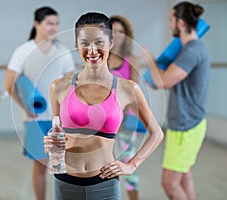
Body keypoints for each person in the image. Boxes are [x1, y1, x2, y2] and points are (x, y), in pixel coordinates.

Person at [44, 12, 163, 200]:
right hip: (64, 181)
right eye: (85, 43)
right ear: (77, 45)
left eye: (99, 42)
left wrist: (132, 165)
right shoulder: (58, 86)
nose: (92, 50)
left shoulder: (127, 89)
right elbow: (56, 133)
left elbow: (157, 133)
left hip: (104, 183)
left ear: (111, 43)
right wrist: (50, 143)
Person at [4, 6, 74, 200]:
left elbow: (70, 82)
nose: (54, 27)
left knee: (61, 166)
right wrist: (25, 107)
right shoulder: (23, 51)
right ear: (37, 24)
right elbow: (10, 83)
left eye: (57, 23)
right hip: (34, 118)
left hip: (60, 119)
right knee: (41, 164)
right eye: (49, 23)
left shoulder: (63, 51)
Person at [143, 2, 210, 200]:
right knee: (184, 176)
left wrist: (149, 60)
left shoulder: (192, 51)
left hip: (186, 127)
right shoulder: (188, 49)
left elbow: (163, 81)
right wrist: (155, 75)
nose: (170, 23)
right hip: (186, 124)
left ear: (180, 23)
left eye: (171, 20)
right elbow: (164, 81)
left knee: (169, 183)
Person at [108, 15, 141, 200]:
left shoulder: (132, 60)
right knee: (105, 167)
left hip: (125, 121)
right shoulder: (101, 58)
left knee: (128, 167)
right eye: (113, 31)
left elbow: (133, 92)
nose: (118, 35)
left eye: (121, 31)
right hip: (103, 121)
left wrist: (122, 118)